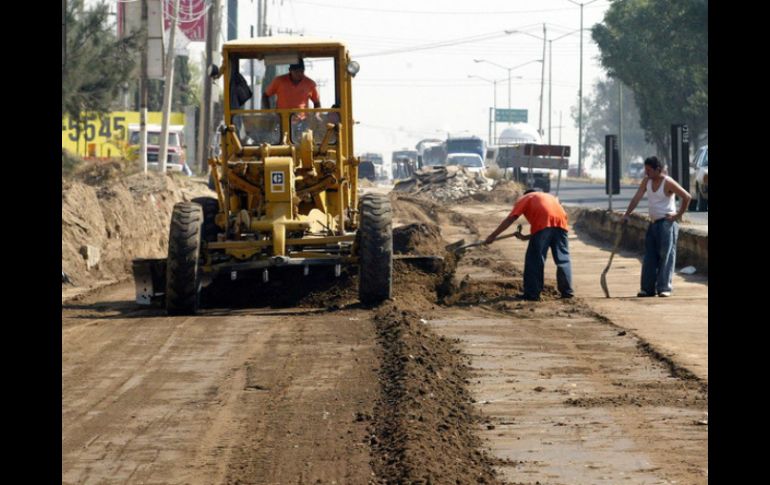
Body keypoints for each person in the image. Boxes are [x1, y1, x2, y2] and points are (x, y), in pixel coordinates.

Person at [484, 188, 574, 301]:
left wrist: (493, 236)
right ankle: (567, 292)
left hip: (544, 224)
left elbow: (511, 218)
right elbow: (550, 227)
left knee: (534, 260)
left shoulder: (526, 198)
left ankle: (532, 294)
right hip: (562, 224)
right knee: (563, 259)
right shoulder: (550, 197)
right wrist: (525, 237)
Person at [623, 156, 691, 297]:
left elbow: (687, 197)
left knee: (666, 256)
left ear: (657, 170)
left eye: (649, 170)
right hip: (653, 224)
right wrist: (627, 214)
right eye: (645, 170)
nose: (646, 173)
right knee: (649, 257)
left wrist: (678, 216)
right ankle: (647, 289)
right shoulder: (647, 181)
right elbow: (637, 197)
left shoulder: (668, 182)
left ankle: (664, 288)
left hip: (667, 224)